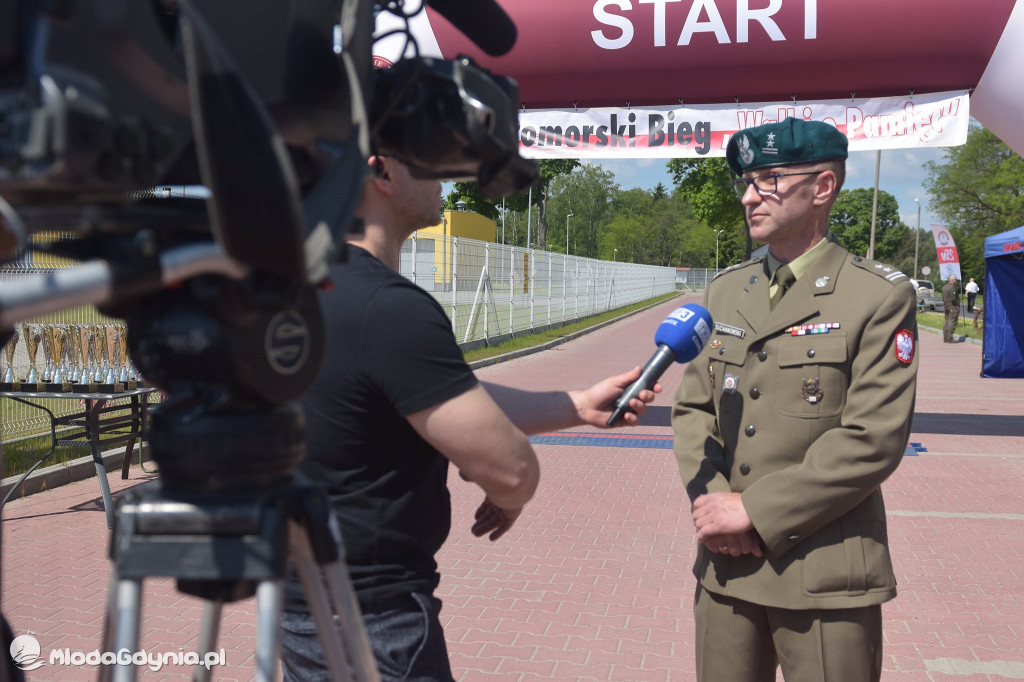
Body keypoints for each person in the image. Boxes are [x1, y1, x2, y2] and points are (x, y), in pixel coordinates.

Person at [279, 151, 661, 682]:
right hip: (375, 624)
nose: (444, 173)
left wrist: (575, 406)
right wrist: (509, 497)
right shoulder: (389, 307)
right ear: (381, 171)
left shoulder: (291, 291)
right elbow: (512, 469)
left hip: (300, 608)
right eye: (424, 155)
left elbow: (427, 394)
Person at [671, 118, 919, 682]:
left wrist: (754, 512)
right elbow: (692, 410)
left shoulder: (877, 296)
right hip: (727, 568)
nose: (748, 196)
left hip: (824, 573)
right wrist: (715, 505)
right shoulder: (726, 290)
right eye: (746, 182)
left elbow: (873, 439)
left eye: (770, 180)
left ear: (823, 187)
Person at [942, 274, 960, 342]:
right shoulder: (952, 288)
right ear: (952, 280)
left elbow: (943, 297)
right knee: (952, 322)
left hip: (946, 305)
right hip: (952, 306)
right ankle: (950, 338)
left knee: (947, 321)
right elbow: (953, 298)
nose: (956, 281)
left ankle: (945, 337)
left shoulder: (944, 287)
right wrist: (956, 304)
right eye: (955, 279)